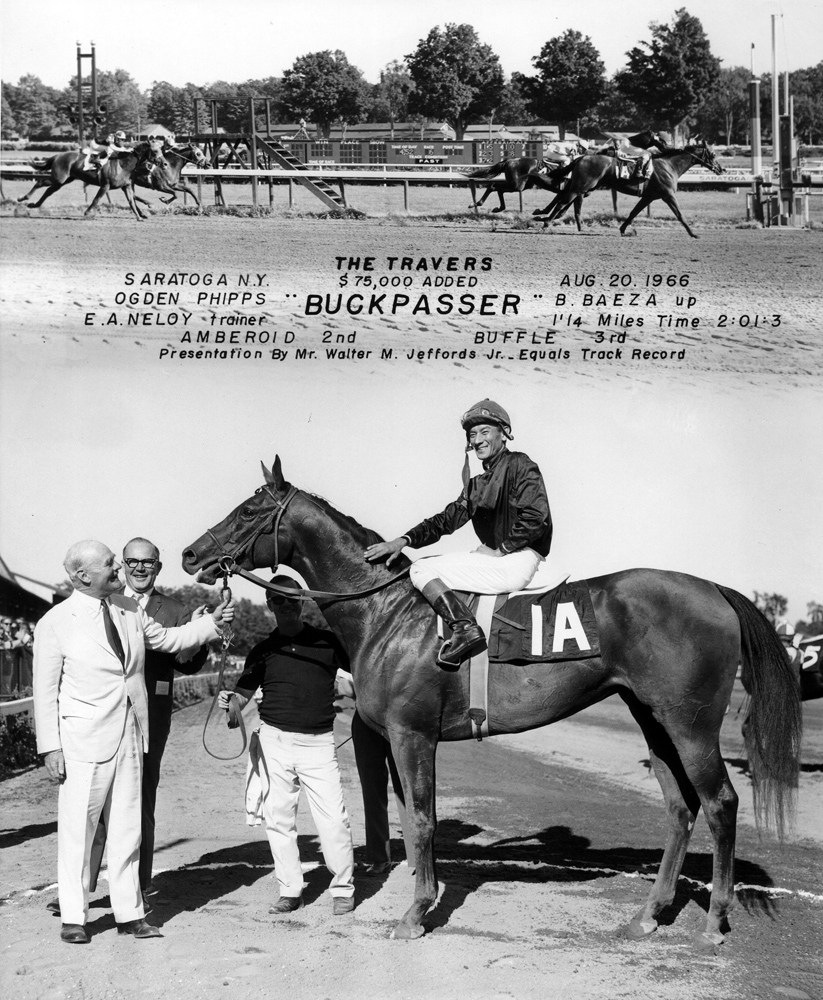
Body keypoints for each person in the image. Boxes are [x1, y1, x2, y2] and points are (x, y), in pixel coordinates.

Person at [33, 539, 234, 944]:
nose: (118, 569)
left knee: (128, 828)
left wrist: (212, 623)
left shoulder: (128, 610)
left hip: (130, 734)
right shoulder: (55, 622)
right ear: (82, 576)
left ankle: (130, 914)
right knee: (80, 831)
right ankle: (75, 916)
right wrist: (50, 747)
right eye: (110, 563)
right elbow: (44, 691)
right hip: (81, 742)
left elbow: (169, 641)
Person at [364, 399, 552, 666]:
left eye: (485, 432)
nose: (477, 440)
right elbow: (445, 520)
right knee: (429, 564)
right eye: (472, 435)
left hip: (518, 559)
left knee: (420, 569)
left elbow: (536, 517)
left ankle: (465, 629)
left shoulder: (520, 464)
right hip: (504, 558)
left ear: (503, 433)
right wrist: (403, 540)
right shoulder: (475, 486)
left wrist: (501, 550)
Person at [218, 575, 355, 916]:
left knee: (333, 820)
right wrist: (230, 702)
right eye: (278, 600)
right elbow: (242, 697)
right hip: (275, 741)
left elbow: (362, 675)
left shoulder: (329, 642)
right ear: (270, 605)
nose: (286, 605)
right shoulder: (263, 650)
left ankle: (343, 889)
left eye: (292, 599)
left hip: (319, 742)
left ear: (302, 602)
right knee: (278, 820)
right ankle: (290, 890)